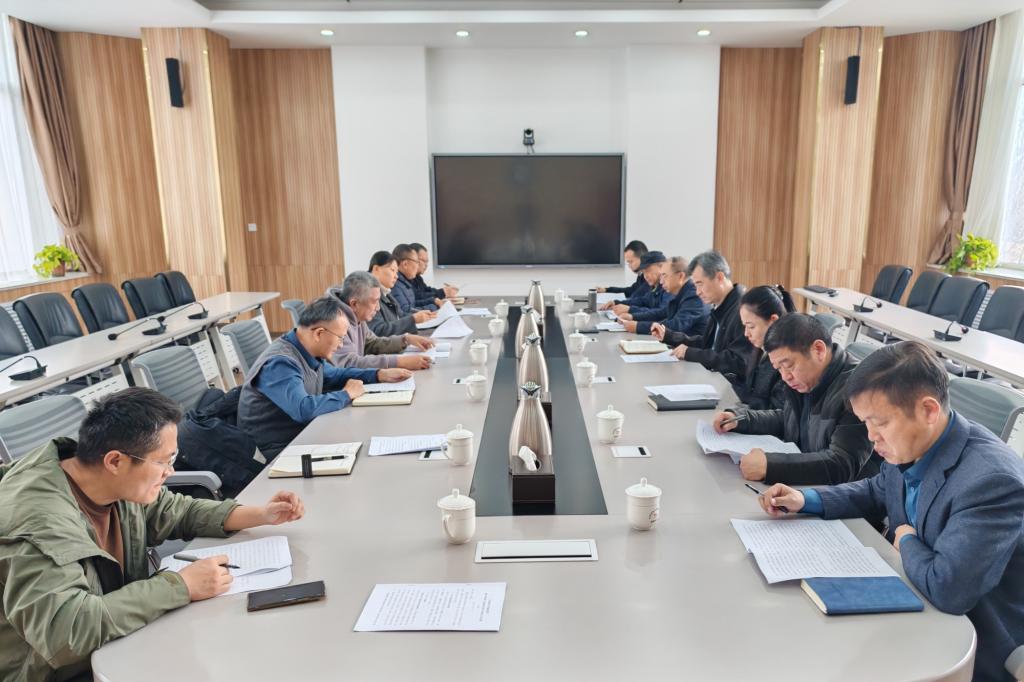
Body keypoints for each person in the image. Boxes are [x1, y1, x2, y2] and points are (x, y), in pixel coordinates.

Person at [757, 342, 1024, 682]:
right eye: (865, 423)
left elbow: (949, 590)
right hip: (911, 601)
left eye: (879, 423)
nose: (871, 437)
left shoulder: (991, 481)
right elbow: (876, 490)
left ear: (928, 410)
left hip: (969, 645)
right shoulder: (917, 442)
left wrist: (906, 539)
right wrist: (805, 499)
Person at [0, 387, 306, 681]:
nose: (170, 472)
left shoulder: (108, 480)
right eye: (163, 461)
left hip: (117, 643)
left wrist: (260, 514)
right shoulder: (37, 523)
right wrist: (180, 586)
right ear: (115, 461)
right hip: (56, 672)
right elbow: (66, 631)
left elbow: (176, 511)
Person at [710, 313, 876, 485]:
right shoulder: (806, 380)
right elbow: (789, 420)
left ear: (818, 350)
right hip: (805, 486)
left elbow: (842, 464)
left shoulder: (858, 389)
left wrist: (771, 466)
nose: (785, 376)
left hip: (843, 496)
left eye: (788, 365)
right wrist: (741, 419)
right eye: (778, 369)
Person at [237, 296, 411, 458]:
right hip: (273, 451)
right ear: (319, 333)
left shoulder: (306, 350)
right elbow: (303, 409)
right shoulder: (280, 363)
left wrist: (378, 374)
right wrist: (346, 394)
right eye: (340, 338)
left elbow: (335, 375)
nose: (341, 345)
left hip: (301, 435)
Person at [652, 250, 752, 381]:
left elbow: (737, 361)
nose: (698, 292)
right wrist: (669, 336)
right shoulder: (720, 305)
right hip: (715, 378)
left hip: (730, 386)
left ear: (719, 277)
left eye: (700, 284)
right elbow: (707, 343)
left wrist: (691, 353)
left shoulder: (744, 310)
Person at [326, 271, 434, 370]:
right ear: (354, 304)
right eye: (374, 302)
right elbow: (348, 363)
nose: (378, 308)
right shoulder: (334, 320)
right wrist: (398, 362)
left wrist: (405, 339)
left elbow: (372, 343)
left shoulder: (356, 314)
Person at [733, 284, 796, 410]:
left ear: (773, 320)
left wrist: (740, 412)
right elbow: (752, 391)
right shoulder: (760, 348)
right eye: (745, 326)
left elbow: (777, 410)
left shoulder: (787, 358)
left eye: (751, 326)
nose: (746, 333)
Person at [619, 255, 709, 337]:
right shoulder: (680, 292)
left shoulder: (694, 296)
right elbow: (661, 313)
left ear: (681, 276)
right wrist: (632, 317)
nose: (661, 282)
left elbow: (676, 325)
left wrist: (639, 326)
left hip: (689, 347)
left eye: (664, 276)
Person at [368, 250, 436, 337]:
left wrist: (418, 315)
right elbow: (378, 331)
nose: (396, 276)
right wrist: (413, 319)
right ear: (376, 269)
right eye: (392, 270)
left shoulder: (386, 292)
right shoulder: (367, 293)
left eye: (396, 272)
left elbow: (400, 315)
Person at [606, 250, 670, 315]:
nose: (645, 276)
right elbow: (643, 301)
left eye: (648, 271)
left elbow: (661, 313)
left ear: (661, 266)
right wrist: (617, 303)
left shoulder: (669, 288)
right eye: (643, 272)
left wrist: (630, 310)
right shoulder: (655, 286)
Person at [393, 243, 440, 314]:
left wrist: (433, 300)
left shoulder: (405, 281)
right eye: (417, 262)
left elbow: (413, 304)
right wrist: (433, 306)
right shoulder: (395, 284)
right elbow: (405, 312)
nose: (418, 266)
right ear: (405, 264)